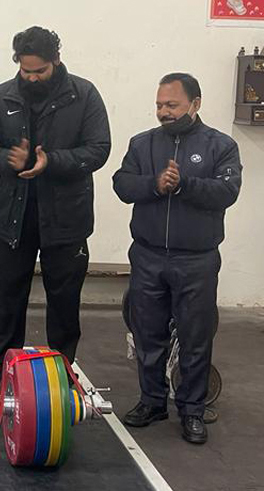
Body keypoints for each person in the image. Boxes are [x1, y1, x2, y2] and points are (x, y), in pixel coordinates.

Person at [0, 26, 111, 400]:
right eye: (25, 70)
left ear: (57, 60)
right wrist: (9, 159)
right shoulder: (4, 95)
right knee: (9, 298)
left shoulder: (84, 95)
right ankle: (1, 368)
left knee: (64, 302)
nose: (32, 77)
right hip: (14, 217)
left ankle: (63, 371)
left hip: (66, 219)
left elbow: (99, 149)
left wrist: (51, 161)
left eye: (40, 71)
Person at [113, 73, 242, 444]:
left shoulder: (221, 146)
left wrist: (185, 184)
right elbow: (122, 184)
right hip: (148, 256)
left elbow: (227, 191)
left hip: (196, 260)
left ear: (195, 104)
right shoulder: (142, 144)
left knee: (195, 337)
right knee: (147, 334)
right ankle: (152, 401)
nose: (164, 112)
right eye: (159, 105)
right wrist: (155, 184)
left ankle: (192, 410)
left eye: (172, 105)